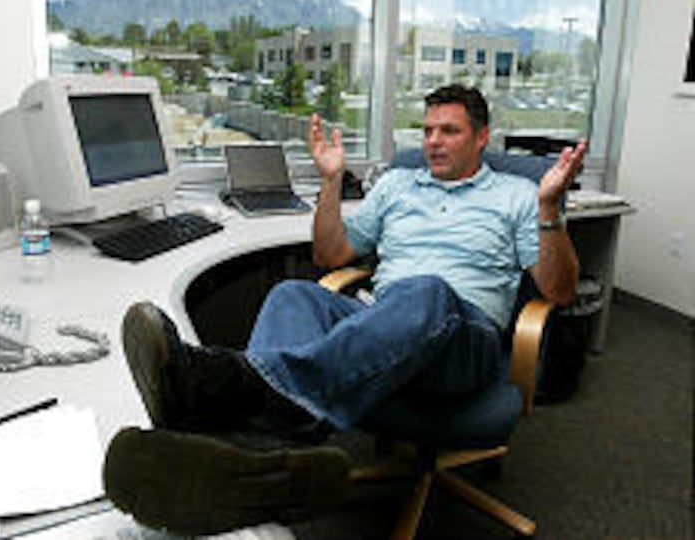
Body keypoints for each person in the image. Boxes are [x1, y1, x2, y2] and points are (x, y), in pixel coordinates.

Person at [103, 84, 585, 535]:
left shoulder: (519, 196)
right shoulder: (397, 185)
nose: (434, 142)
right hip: (384, 321)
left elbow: (558, 291)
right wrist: (330, 180)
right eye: (428, 131)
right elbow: (330, 257)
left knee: (425, 292)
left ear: (481, 138)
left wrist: (548, 210)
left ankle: (229, 388)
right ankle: (263, 466)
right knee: (295, 293)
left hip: (462, 341)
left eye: (450, 131)